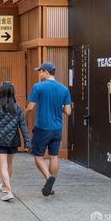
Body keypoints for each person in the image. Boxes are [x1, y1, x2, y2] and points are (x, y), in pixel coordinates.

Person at [25, 62, 72, 197]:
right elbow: (68, 111)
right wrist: (58, 106)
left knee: (38, 156)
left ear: (46, 71)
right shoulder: (64, 89)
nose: (39, 74)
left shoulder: (38, 87)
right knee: (54, 157)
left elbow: (30, 107)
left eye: (40, 71)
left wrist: (24, 116)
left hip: (43, 127)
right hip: (57, 129)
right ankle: (50, 185)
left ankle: (48, 178)